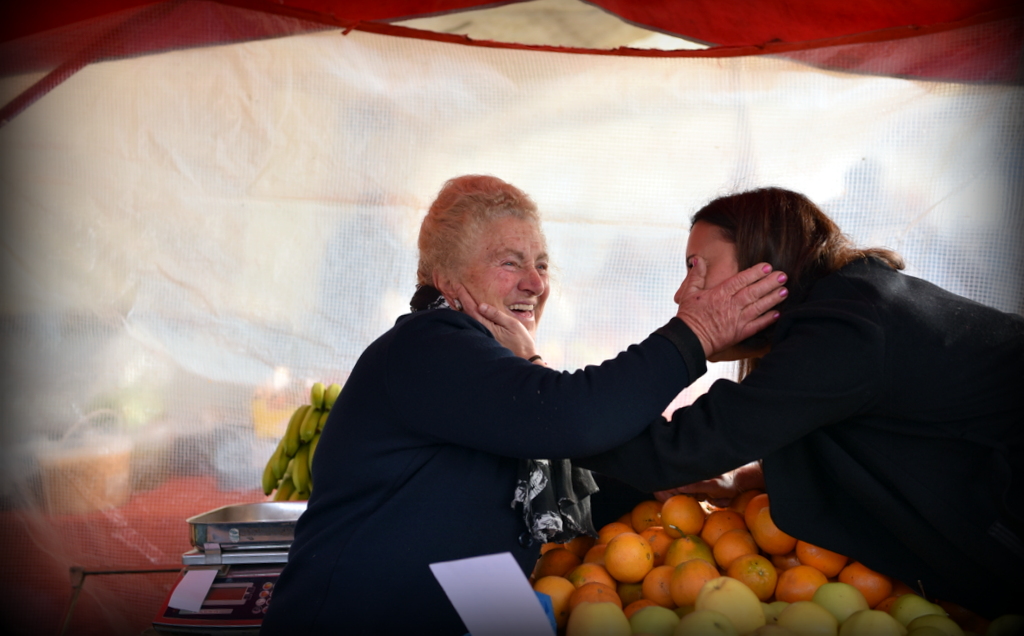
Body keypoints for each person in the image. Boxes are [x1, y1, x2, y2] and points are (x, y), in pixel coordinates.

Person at [259, 174, 787, 635]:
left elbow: (558, 497)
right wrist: (697, 333)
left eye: (541, 264)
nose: (535, 284)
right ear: (446, 279)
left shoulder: (484, 368)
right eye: (510, 263)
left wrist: (661, 473)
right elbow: (574, 418)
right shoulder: (429, 346)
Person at [575, 186, 1024, 619]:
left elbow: (678, 449)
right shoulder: (852, 305)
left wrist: (547, 405)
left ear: (763, 262)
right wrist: (746, 479)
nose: (682, 293)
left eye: (697, 266)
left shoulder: (846, 329)